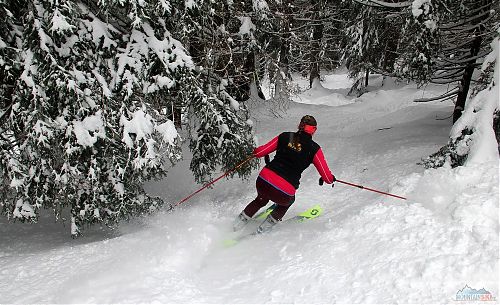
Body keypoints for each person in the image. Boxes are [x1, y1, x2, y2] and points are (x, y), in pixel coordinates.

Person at [233, 115, 336, 233]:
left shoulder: (285, 136)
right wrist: (331, 178)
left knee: (261, 200)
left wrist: (253, 153)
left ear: (300, 125)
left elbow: (260, 152)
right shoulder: (314, 149)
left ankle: (237, 224)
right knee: (288, 202)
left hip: (263, 182)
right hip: (283, 192)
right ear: (314, 129)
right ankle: (264, 228)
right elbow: (327, 178)